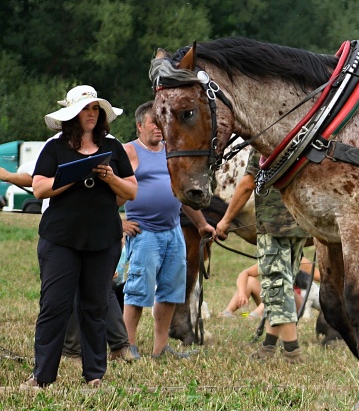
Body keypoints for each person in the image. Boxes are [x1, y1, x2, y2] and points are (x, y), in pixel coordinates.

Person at [22, 85, 137, 389]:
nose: (91, 114)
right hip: (60, 239)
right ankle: (42, 376)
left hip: (103, 239)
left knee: (95, 307)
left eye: (95, 109)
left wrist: (109, 177)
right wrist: (72, 176)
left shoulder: (113, 147)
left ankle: (95, 376)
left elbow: (131, 190)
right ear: (72, 114)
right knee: (54, 306)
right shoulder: (55, 147)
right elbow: (39, 188)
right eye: (86, 109)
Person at [121, 101, 215, 359]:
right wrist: (119, 222)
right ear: (139, 125)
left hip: (173, 231)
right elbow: (108, 191)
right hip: (144, 232)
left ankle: (160, 348)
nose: (159, 128)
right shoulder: (129, 152)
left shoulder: (171, 152)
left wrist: (201, 224)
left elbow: (182, 194)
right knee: (138, 291)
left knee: (171, 291)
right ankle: (127, 346)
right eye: (153, 122)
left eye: (162, 122)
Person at [216, 157, 309, 363]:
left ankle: (292, 351)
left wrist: (225, 220)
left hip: (273, 224)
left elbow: (248, 183)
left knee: (277, 288)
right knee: (280, 286)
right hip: (299, 223)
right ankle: (268, 346)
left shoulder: (263, 142)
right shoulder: (297, 136)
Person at [221, 258, 315, 318]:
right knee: (250, 281)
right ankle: (228, 311)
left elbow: (322, 276)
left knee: (281, 284)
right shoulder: (271, 259)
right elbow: (244, 273)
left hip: (294, 304)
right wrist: (242, 292)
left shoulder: (301, 260)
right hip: (269, 300)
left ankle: (255, 314)